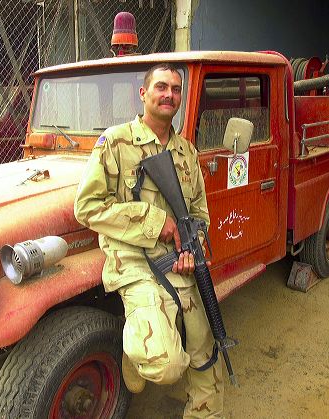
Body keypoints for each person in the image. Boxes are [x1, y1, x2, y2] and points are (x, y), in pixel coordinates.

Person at [74, 63, 224, 418]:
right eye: (161, 86)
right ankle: (136, 346)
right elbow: (87, 207)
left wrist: (192, 247)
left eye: (175, 88)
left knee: (208, 352)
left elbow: (201, 215)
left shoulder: (187, 152)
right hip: (135, 265)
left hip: (178, 263)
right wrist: (155, 222)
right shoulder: (116, 142)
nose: (169, 94)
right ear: (143, 94)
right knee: (167, 366)